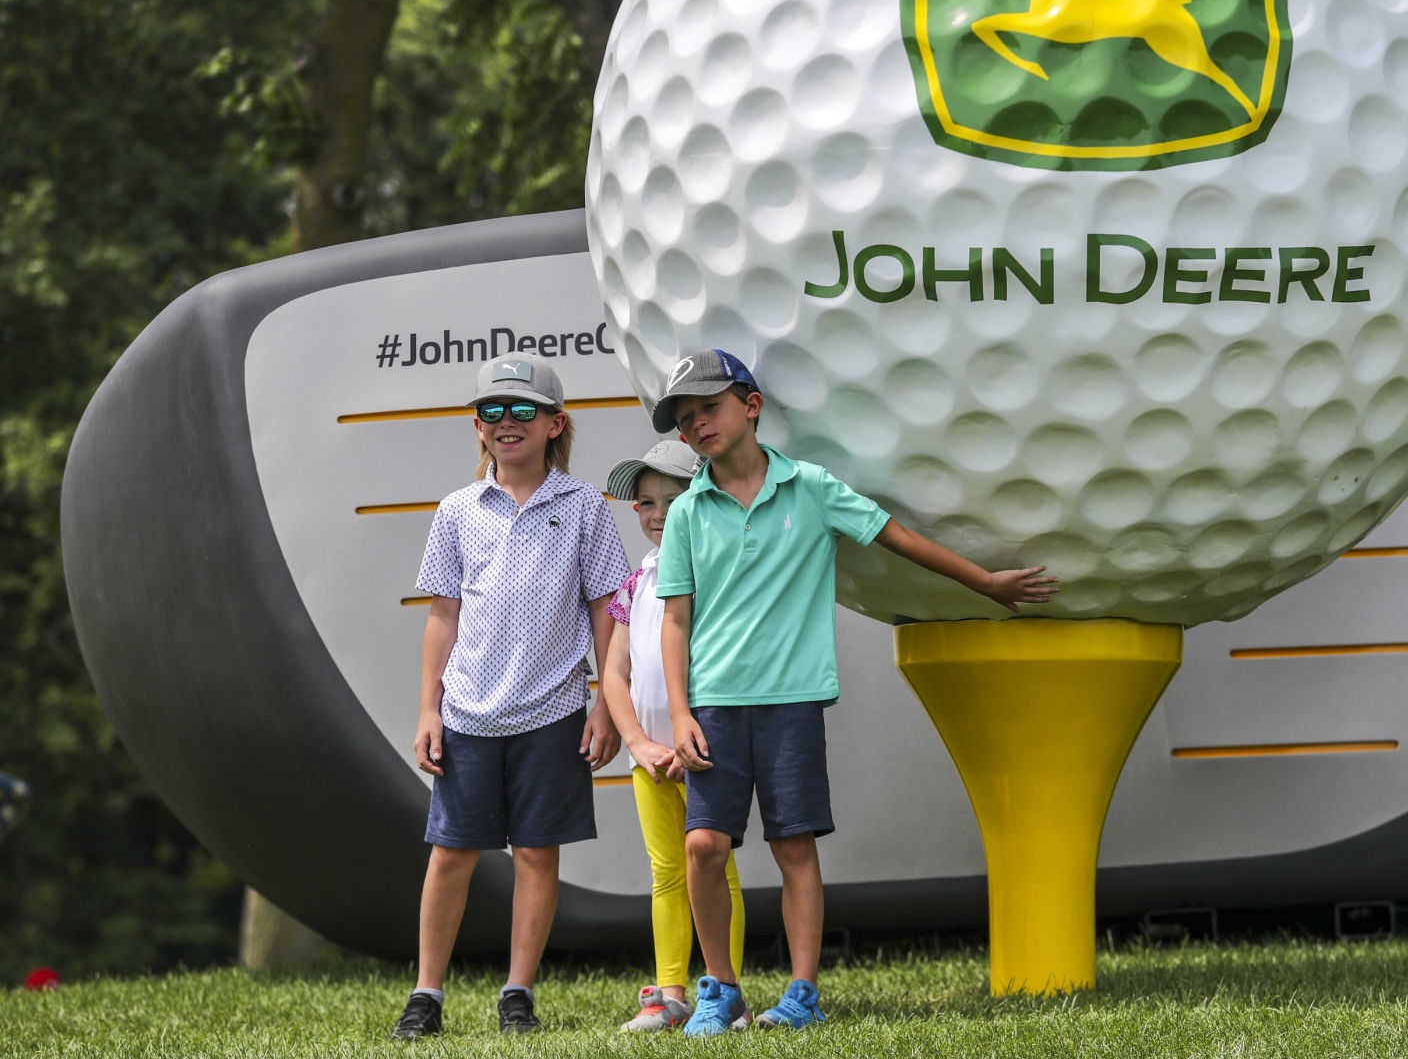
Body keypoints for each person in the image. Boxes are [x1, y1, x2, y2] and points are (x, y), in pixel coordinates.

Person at [653, 349, 1058, 1034]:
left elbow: (896, 537)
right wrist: (682, 710)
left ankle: (801, 993)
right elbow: (674, 618)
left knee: (794, 844)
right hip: (716, 703)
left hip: (791, 700)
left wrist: (984, 582)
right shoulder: (690, 509)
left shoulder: (810, 486)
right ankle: (720, 987)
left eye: (710, 408)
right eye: (686, 419)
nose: (698, 425)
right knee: (703, 846)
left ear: (750, 406)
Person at [388, 353, 630, 1041]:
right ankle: (426, 994)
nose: (507, 422)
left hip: (554, 709)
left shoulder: (583, 505)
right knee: (451, 854)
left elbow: (606, 609)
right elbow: (443, 614)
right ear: (477, 426)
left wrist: (606, 704)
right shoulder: (458, 510)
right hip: (467, 711)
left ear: (556, 424)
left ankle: (517, 992)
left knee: (536, 853)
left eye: (524, 410)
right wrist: (429, 708)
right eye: (492, 411)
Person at [599, 439, 749, 1032]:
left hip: (703, 752)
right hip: (649, 760)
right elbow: (615, 673)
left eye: (672, 497)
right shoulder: (636, 583)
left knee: (717, 870)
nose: (657, 512)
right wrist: (638, 744)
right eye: (644, 501)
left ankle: (725, 992)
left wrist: (691, 738)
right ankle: (670, 995)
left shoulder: (717, 572)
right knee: (666, 873)